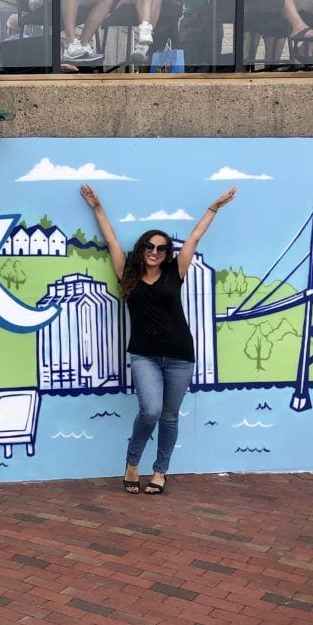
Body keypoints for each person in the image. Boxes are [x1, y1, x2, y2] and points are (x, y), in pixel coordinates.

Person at [80, 182, 237, 495]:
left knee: (169, 416)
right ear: (142, 249)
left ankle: (160, 472)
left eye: (161, 248)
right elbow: (111, 240)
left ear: (167, 254)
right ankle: (132, 464)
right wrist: (97, 207)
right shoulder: (127, 273)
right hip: (144, 355)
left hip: (180, 355)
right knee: (150, 410)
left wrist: (214, 207)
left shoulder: (174, 273)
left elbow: (195, 236)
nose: (155, 252)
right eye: (150, 247)